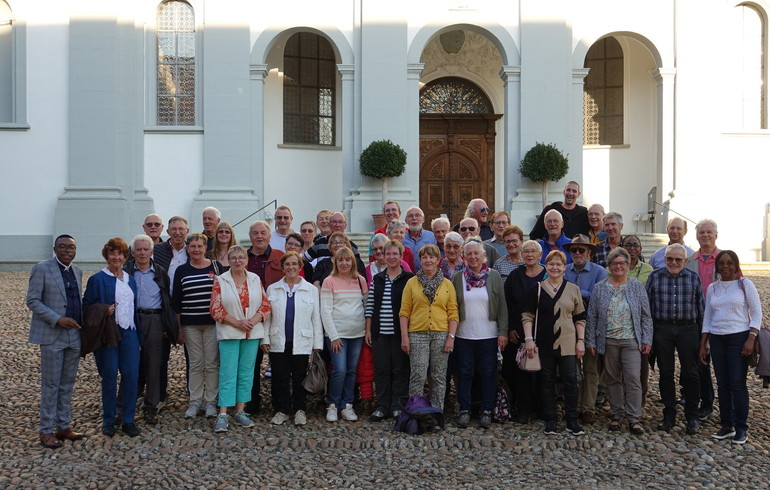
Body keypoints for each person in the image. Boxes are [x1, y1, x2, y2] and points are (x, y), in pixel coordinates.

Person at [585, 247, 652, 435]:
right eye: (614, 263)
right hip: (608, 340)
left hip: (631, 340)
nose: (618, 266)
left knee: (632, 378)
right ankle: (615, 415)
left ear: (628, 265)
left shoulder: (636, 287)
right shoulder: (600, 287)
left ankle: (634, 418)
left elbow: (646, 316)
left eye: (622, 263)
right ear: (609, 266)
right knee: (613, 379)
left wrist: (647, 338)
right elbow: (592, 317)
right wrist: (590, 340)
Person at [27, 234, 85, 448]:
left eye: (71, 247)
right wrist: (57, 319)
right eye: (62, 246)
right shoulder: (42, 268)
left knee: (67, 384)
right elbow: (32, 300)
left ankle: (63, 425)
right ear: (55, 248)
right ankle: (46, 430)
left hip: (73, 335)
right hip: (53, 334)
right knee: (51, 384)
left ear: (76, 250)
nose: (67, 250)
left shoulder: (77, 271)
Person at [699, 250, 761, 445]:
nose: (725, 266)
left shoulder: (745, 284)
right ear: (717, 266)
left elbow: (757, 313)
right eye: (722, 263)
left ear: (736, 265)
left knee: (737, 384)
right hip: (717, 339)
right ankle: (727, 426)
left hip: (738, 338)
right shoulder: (712, 288)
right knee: (723, 384)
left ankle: (741, 428)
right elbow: (707, 317)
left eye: (729, 263)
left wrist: (751, 338)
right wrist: (703, 343)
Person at [522, 250, 586, 436]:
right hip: (544, 343)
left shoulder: (573, 289)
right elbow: (527, 315)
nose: (555, 267)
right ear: (546, 266)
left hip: (568, 343)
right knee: (547, 382)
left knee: (570, 382)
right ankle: (550, 420)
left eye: (558, 264)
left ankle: (571, 420)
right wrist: (528, 340)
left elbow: (580, 317)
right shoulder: (538, 288)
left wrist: (580, 341)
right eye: (551, 264)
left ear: (564, 267)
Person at [83, 237, 141, 437]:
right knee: (109, 375)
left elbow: (135, 308)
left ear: (125, 257)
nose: (116, 257)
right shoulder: (97, 279)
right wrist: (102, 310)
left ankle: (128, 419)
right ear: (106, 256)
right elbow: (86, 306)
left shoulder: (130, 279)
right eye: (112, 253)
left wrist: (138, 336)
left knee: (131, 375)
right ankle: (108, 420)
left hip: (130, 332)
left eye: (120, 253)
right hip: (109, 334)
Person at [209, 245, 270, 433]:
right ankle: (223, 413)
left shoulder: (254, 279)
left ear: (246, 259)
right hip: (230, 332)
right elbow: (215, 309)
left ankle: (241, 410)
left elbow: (265, 305)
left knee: (246, 372)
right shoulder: (221, 280)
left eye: (241, 257)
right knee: (228, 372)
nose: (237, 261)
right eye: (233, 257)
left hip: (251, 332)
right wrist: (237, 323)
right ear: (228, 260)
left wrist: (252, 321)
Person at [646, 243, 704, 434]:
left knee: (691, 373)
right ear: (664, 259)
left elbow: (701, 309)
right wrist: (650, 336)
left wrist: (704, 338)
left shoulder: (693, 278)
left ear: (685, 261)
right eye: (670, 258)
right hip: (662, 328)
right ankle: (669, 414)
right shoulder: (655, 277)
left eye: (678, 259)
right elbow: (647, 309)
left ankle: (692, 416)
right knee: (666, 372)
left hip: (688, 328)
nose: (673, 262)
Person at [451, 240, 508, 429]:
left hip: (489, 335)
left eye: (476, 253)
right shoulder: (458, 277)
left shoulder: (494, 276)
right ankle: (465, 410)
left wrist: (502, 331)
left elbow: (502, 307)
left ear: (483, 255)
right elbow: (453, 307)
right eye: (469, 254)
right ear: (464, 257)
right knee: (465, 373)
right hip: (464, 335)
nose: (473, 257)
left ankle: (486, 410)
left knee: (488, 373)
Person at [264, 251, 323, 426]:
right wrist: (264, 339)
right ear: (282, 268)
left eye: (294, 264)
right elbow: (267, 316)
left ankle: (299, 409)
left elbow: (316, 317)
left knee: (299, 377)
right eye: (287, 264)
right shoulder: (273, 289)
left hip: (302, 340)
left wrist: (317, 343)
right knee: (279, 377)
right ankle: (281, 410)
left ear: (300, 267)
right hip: (278, 339)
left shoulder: (311, 290)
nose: (291, 267)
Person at [124, 234, 178, 426]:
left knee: (154, 365)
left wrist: (166, 324)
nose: (142, 253)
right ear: (132, 253)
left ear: (152, 252)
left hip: (154, 319)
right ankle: (124, 406)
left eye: (146, 249)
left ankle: (151, 407)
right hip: (131, 319)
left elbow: (166, 299)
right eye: (138, 249)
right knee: (130, 365)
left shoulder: (160, 271)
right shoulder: (125, 271)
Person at [400, 244, 459, 409]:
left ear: (438, 260)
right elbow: (404, 311)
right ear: (420, 260)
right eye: (424, 257)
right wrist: (405, 336)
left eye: (431, 257)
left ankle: (436, 411)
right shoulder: (412, 283)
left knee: (438, 376)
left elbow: (453, 312)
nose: (428, 260)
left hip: (441, 333)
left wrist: (451, 337)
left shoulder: (447, 284)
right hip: (417, 334)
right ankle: (416, 411)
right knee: (418, 375)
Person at [172, 232, 222, 420]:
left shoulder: (217, 267)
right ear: (187, 248)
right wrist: (178, 328)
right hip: (190, 325)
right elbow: (177, 302)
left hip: (212, 324)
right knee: (195, 363)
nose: (196, 250)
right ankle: (194, 401)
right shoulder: (181, 271)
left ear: (205, 248)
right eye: (192, 246)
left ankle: (210, 402)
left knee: (211, 363)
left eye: (200, 246)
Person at [365, 239, 415, 421]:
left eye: (395, 254)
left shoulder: (409, 279)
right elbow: (370, 305)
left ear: (401, 256)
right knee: (382, 369)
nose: (391, 257)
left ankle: (398, 405)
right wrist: (368, 330)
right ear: (383, 256)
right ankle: (382, 405)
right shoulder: (377, 279)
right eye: (388, 254)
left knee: (400, 369)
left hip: (399, 333)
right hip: (380, 333)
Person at [563, 234, 607, 425]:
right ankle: (573, 405)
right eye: (574, 250)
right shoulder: (564, 271)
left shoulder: (599, 271)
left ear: (589, 252)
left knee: (590, 368)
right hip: (567, 324)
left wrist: (575, 292)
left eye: (582, 250)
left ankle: (587, 408)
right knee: (570, 369)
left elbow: (601, 296)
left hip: (591, 324)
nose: (578, 253)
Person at [321, 247, 368, 422]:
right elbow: (325, 311)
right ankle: (332, 405)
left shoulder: (360, 280)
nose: (344, 263)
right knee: (339, 370)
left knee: (351, 371)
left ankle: (347, 405)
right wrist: (333, 336)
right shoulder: (329, 281)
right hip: (336, 334)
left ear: (353, 262)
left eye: (347, 260)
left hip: (357, 333)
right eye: (340, 260)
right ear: (335, 262)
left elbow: (366, 306)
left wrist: (366, 330)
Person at [245, 220, 285, 415]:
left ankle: (280, 404)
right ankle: (251, 402)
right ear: (250, 236)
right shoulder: (243, 257)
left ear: (270, 236)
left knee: (278, 363)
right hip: (249, 318)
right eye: (255, 233)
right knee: (251, 363)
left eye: (263, 233)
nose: (259, 236)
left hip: (276, 316)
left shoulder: (280, 257)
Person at [503, 240, 546, 424]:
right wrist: (510, 327)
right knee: (521, 371)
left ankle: (543, 409)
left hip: (544, 330)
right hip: (519, 331)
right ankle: (523, 409)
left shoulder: (547, 274)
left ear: (540, 255)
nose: (529, 255)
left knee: (543, 372)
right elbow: (507, 303)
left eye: (533, 252)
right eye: (526, 251)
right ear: (521, 255)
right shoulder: (515, 275)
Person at [686, 218, 720, 421]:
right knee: (701, 363)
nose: (705, 236)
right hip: (697, 318)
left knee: (724, 364)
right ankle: (706, 402)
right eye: (701, 232)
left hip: (721, 319)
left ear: (716, 234)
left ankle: (728, 404)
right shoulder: (690, 260)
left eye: (709, 232)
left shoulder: (725, 258)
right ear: (696, 236)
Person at [153, 216, 189, 288]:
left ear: (187, 231)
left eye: (181, 229)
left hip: (187, 296)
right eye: (174, 229)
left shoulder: (192, 250)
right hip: (165, 297)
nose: (177, 232)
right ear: (168, 232)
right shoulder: (157, 250)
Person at [403, 206, 436, 271]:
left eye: (417, 215)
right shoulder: (402, 237)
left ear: (423, 219)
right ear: (406, 221)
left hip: (427, 276)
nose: (414, 218)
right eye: (410, 216)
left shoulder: (432, 236)